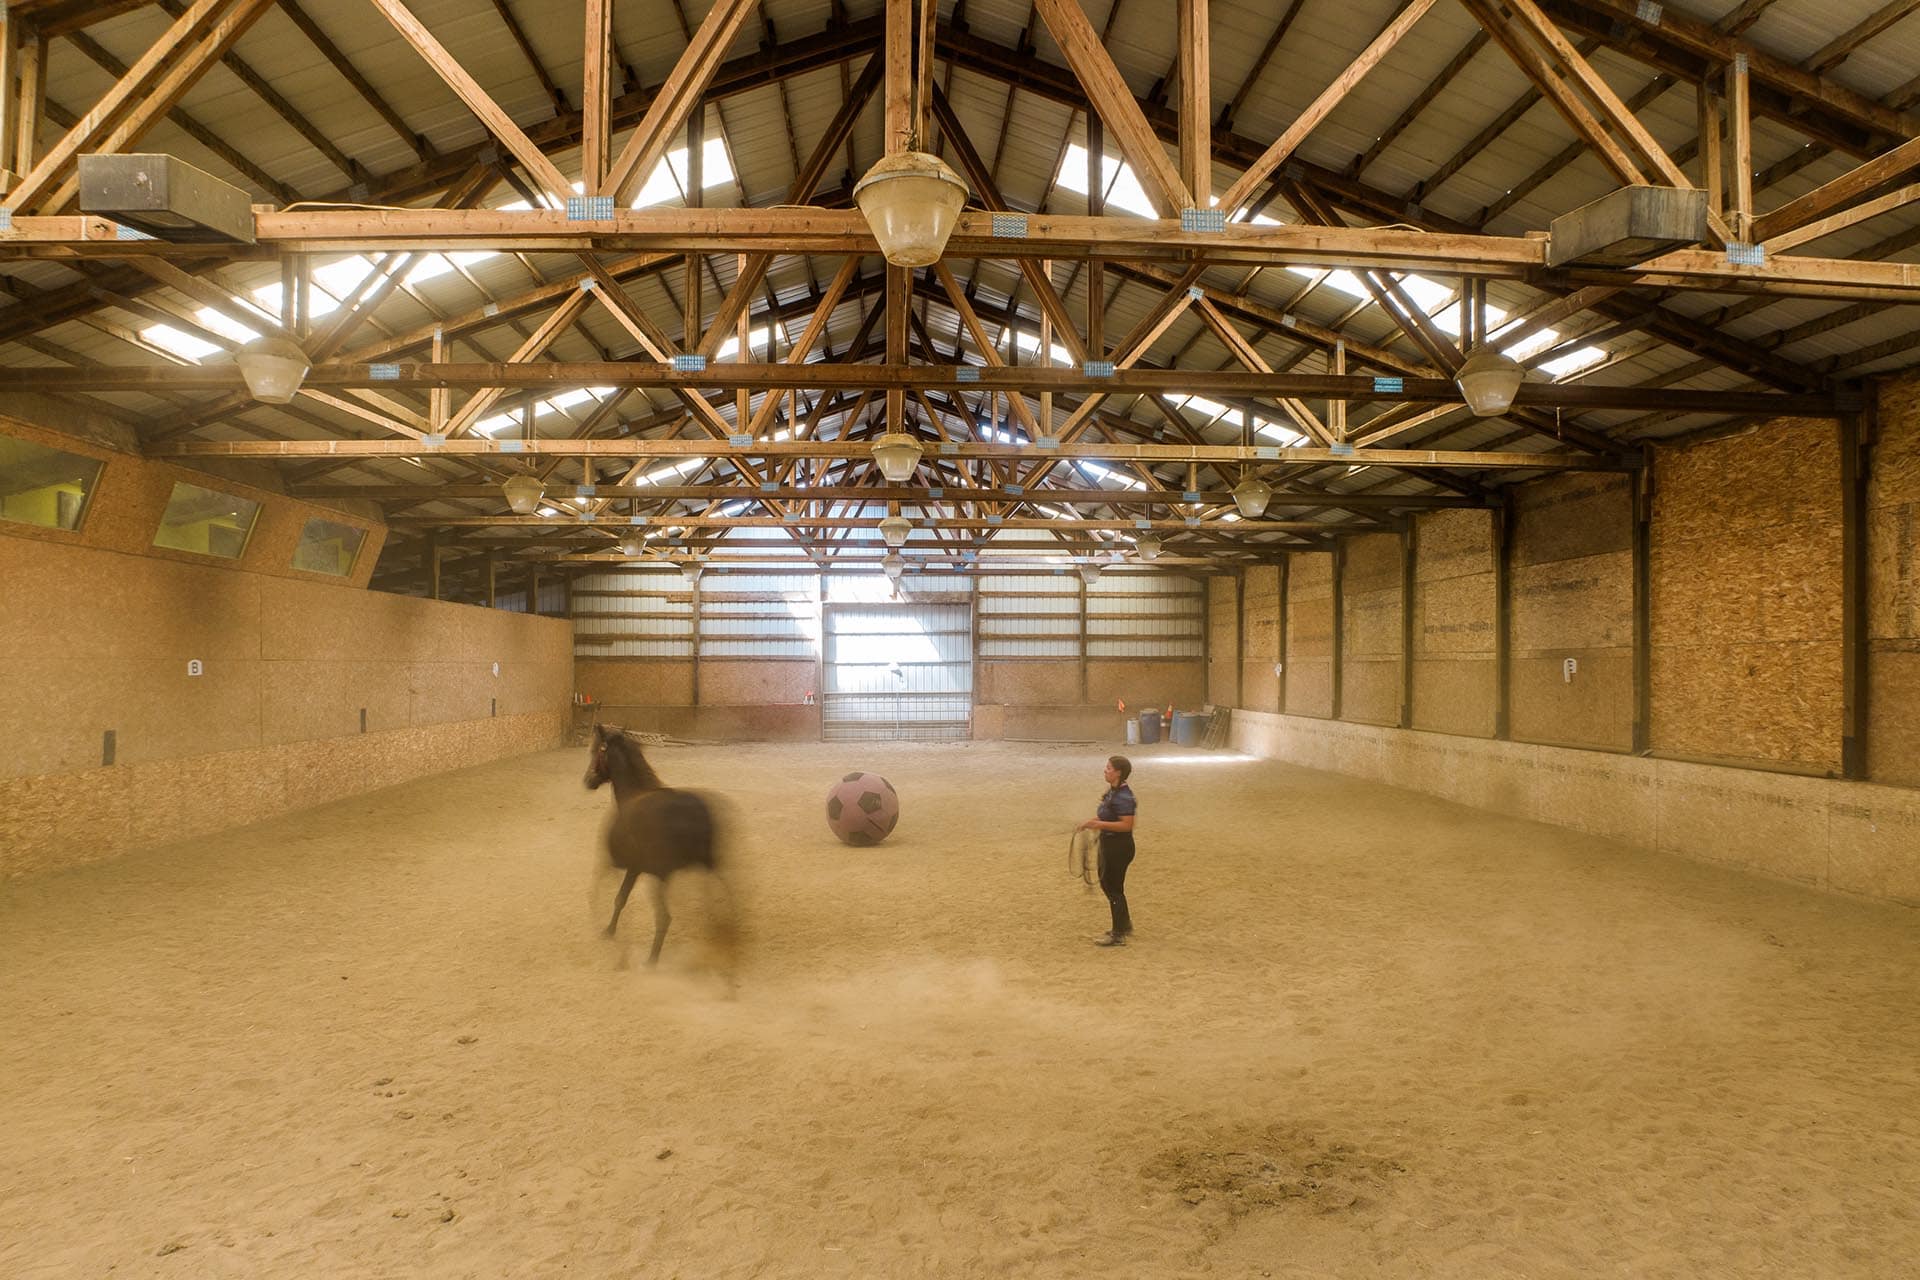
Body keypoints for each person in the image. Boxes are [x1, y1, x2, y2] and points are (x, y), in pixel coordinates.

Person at [1079, 755, 1137, 947]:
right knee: (1110, 886)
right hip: (1109, 845)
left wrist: (1098, 824)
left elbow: (1127, 825)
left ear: (1118, 773)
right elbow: (1105, 813)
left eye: (1109, 768)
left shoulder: (1124, 797)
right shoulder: (1113, 792)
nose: (1105, 770)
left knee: (1113, 888)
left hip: (1118, 847)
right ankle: (1124, 924)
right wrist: (1090, 823)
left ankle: (1118, 933)